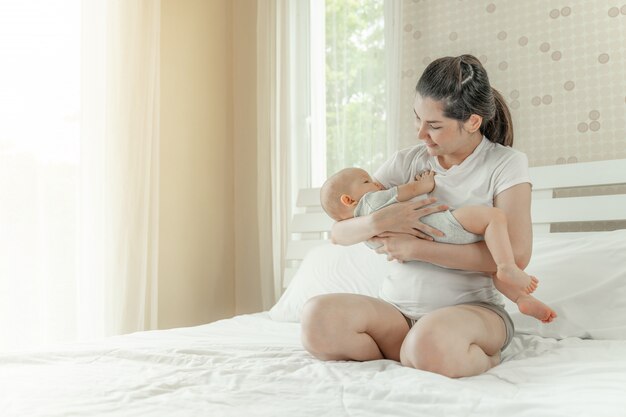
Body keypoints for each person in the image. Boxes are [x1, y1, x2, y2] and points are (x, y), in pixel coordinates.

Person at [300, 54, 545, 378]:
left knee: (430, 341)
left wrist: (418, 249)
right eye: (418, 119)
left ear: (472, 121)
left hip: (471, 314)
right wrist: (378, 222)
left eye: (434, 125)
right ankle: (407, 357)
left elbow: (516, 255)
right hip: (397, 315)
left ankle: (477, 357)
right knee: (317, 318)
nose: (420, 134)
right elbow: (339, 232)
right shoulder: (408, 162)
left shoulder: (505, 164)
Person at [319, 166, 556, 323]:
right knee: (493, 218)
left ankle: (522, 298)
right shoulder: (372, 201)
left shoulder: (363, 234)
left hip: (430, 241)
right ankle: (507, 268)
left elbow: (341, 234)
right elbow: (413, 189)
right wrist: (424, 182)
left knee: (491, 253)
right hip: (443, 225)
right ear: (349, 199)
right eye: (367, 181)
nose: (377, 183)